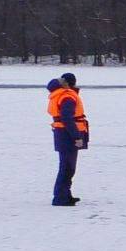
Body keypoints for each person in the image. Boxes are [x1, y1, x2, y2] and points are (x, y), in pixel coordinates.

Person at [46, 72, 88, 206]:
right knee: (67, 167)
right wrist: (77, 137)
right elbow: (67, 118)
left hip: (62, 133)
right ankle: (60, 198)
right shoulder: (67, 97)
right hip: (67, 135)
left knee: (68, 167)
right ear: (70, 83)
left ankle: (65, 194)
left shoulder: (60, 95)